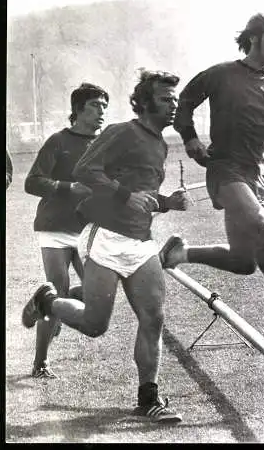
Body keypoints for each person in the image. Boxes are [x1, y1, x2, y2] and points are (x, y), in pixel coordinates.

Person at [22, 69, 188, 423]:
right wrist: (127, 196)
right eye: (165, 99)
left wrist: (166, 201)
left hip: (141, 243)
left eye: (175, 99)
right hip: (107, 237)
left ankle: (149, 398)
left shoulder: (160, 143)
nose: (173, 105)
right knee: (96, 324)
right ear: (144, 103)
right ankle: (47, 300)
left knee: (153, 317)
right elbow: (85, 171)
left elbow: (140, 194)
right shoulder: (121, 132)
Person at [160, 11, 264, 331]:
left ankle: (180, 252)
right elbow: (183, 102)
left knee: (243, 261)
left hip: (256, 176)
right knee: (263, 228)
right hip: (224, 168)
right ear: (254, 38)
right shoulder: (222, 74)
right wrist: (190, 138)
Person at [24, 83, 109, 378]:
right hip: (56, 225)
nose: (102, 111)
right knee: (58, 287)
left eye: (104, 106)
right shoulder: (57, 141)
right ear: (77, 110)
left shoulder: (106, 144)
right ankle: (41, 363)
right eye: (95, 105)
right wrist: (69, 187)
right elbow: (32, 182)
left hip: (89, 229)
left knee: (96, 295)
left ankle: (46, 304)